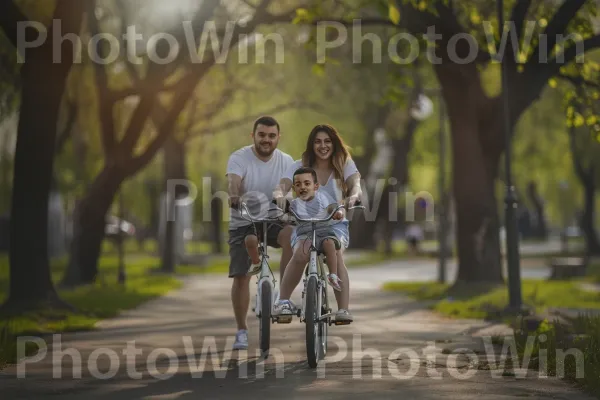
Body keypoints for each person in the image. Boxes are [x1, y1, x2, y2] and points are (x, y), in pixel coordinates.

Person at [272, 124, 362, 323]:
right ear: (312, 145)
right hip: (305, 224)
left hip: (334, 224)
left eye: (327, 141)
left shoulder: (343, 163)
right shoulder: (300, 164)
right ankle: (283, 301)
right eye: (318, 141)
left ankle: (343, 310)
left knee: (335, 255)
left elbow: (355, 185)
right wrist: (280, 198)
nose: (323, 146)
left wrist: (353, 198)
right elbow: (281, 187)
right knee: (300, 253)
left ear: (334, 143)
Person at [226, 116, 294, 350]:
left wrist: (282, 198)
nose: (267, 140)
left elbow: (287, 186)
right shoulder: (239, 157)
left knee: (291, 237)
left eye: (271, 136)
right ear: (253, 136)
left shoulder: (286, 161)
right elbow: (234, 181)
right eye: (262, 135)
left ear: (278, 137)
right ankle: (241, 330)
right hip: (243, 219)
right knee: (241, 276)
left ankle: (282, 297)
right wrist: (234, 195)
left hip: (274, 218)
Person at [287, 167, 345, 291]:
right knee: (303, 248)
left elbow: (331, 207)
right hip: (305, 234)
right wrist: (284, 217)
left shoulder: (321, 197)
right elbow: (287, 215)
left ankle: (333, 275)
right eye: (298, 184)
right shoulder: (294, 204)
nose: (303, 187)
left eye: (307, 183)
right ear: (294, 189)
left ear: (316, 186)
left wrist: (336, 212)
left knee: (330, 244)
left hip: (324, 231)